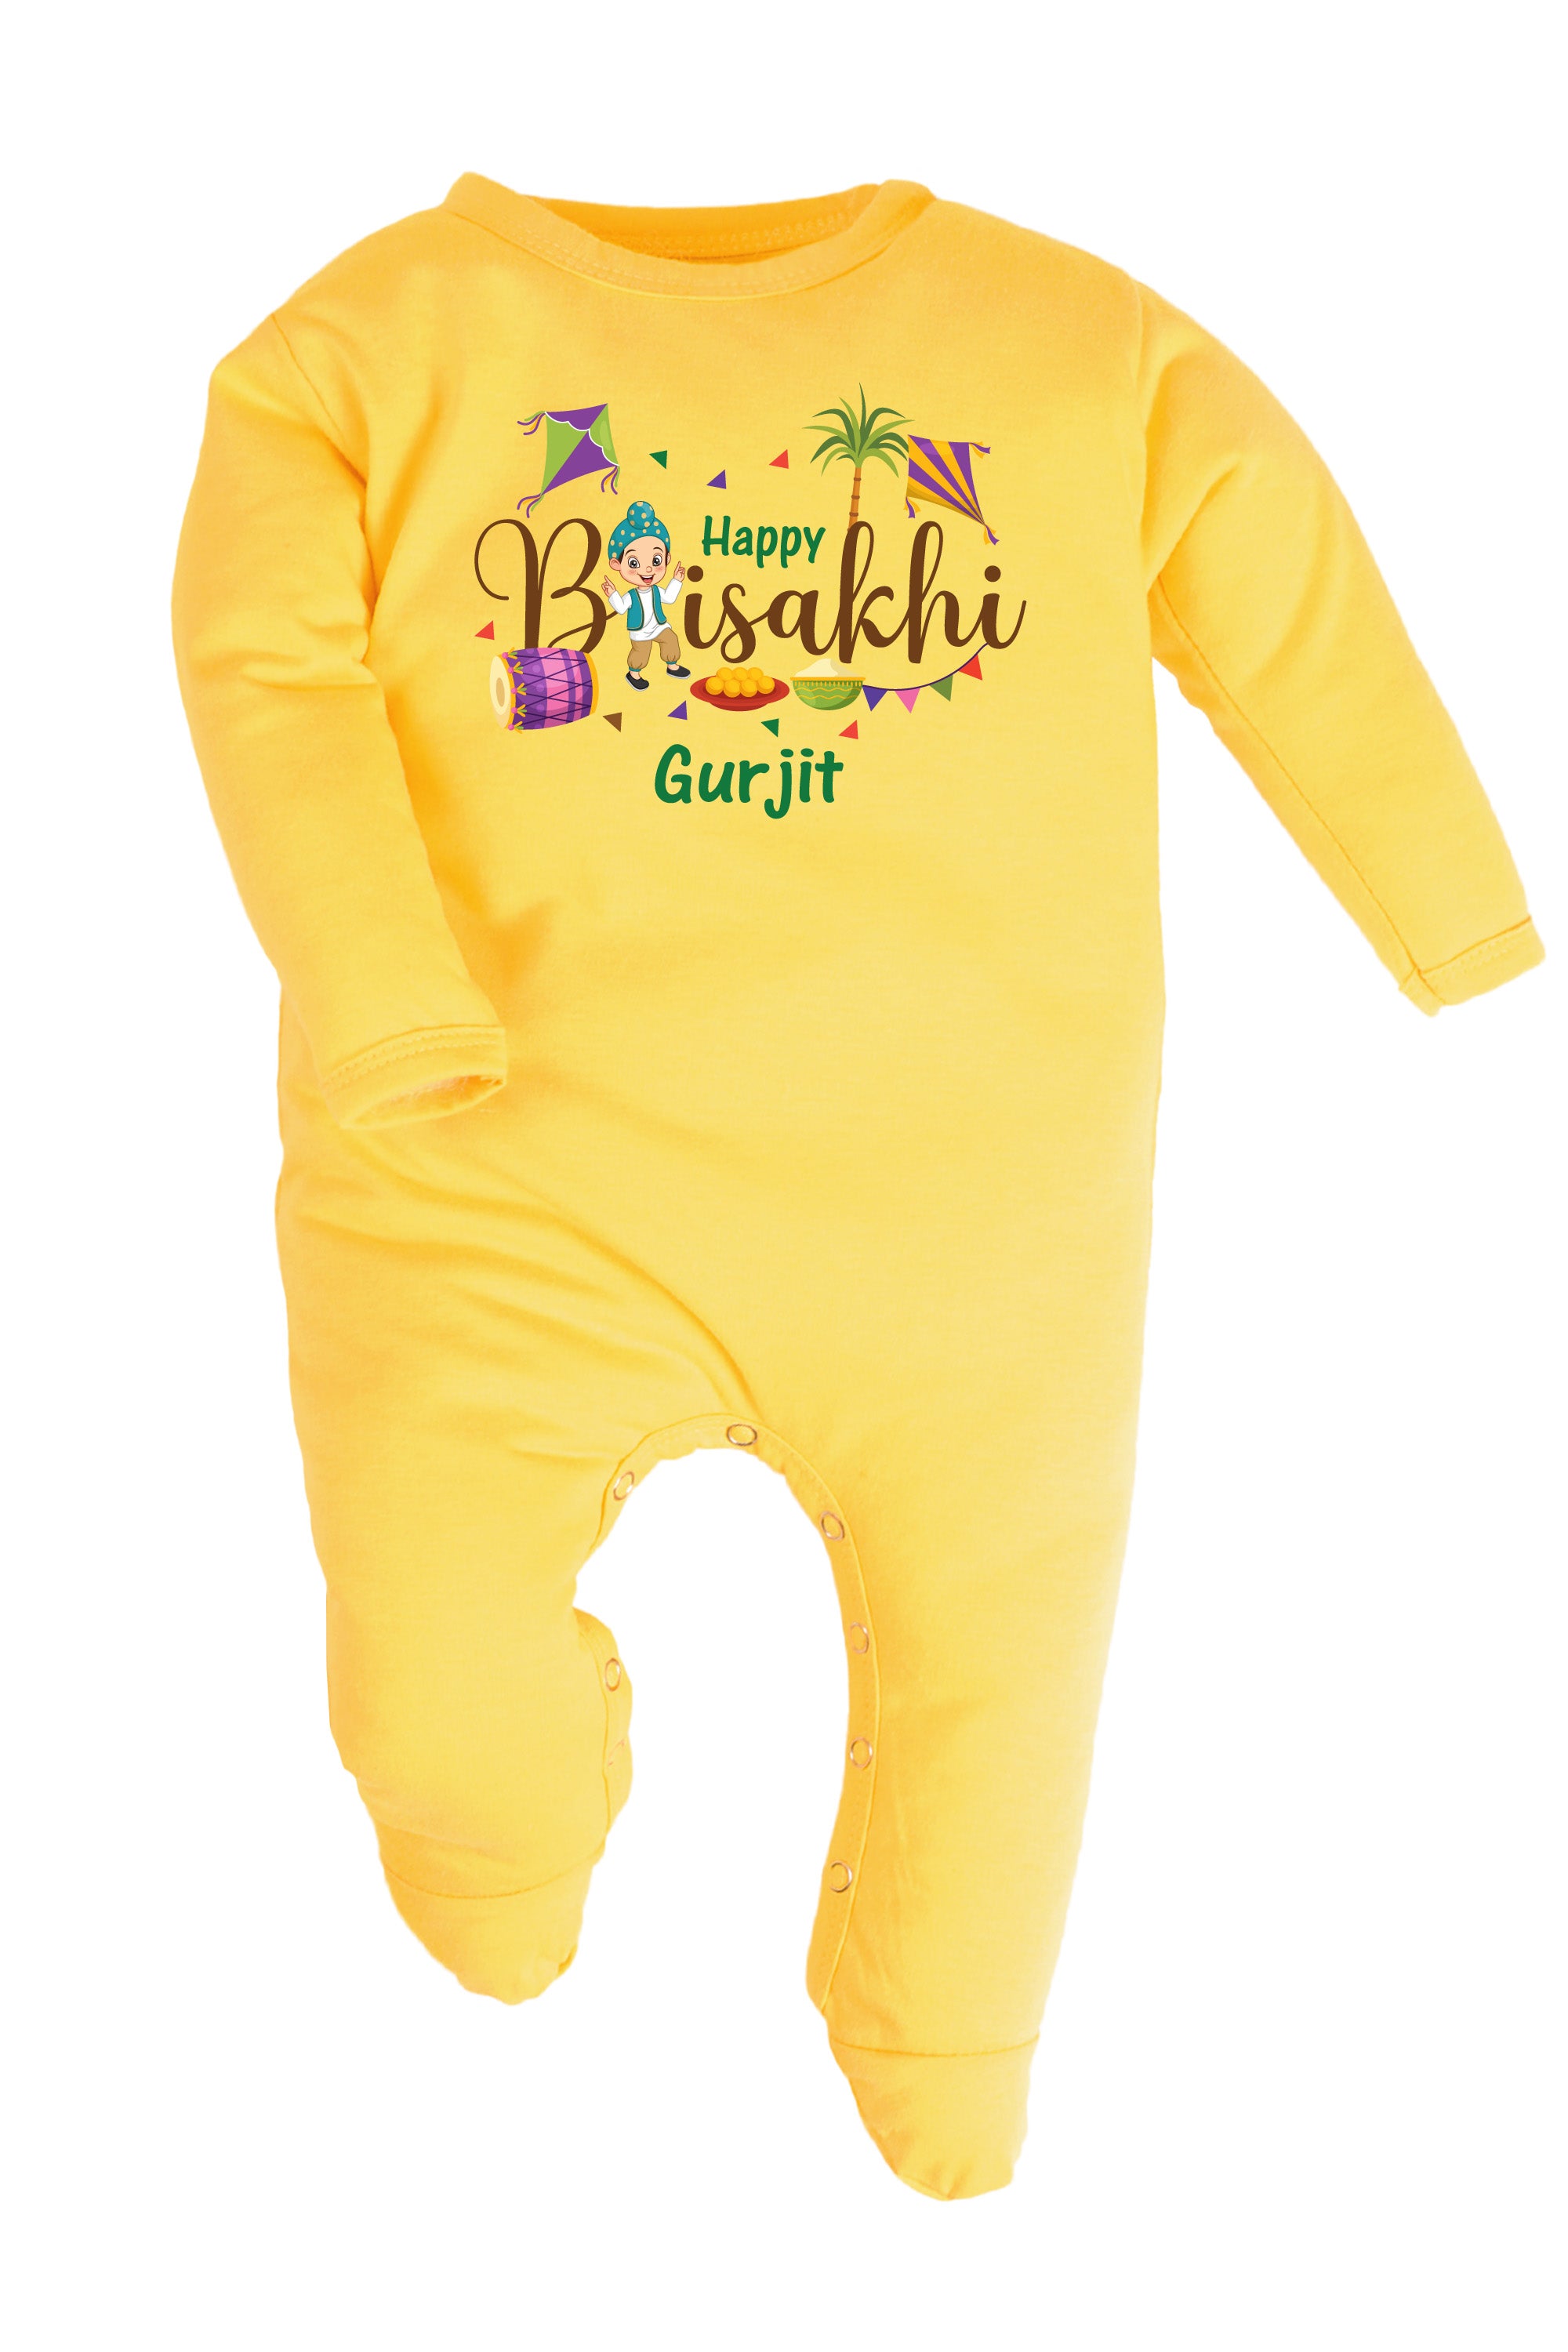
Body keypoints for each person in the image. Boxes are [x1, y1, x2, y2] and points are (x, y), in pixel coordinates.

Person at [601, 499, 691, 688]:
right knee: (641, 653)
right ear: (617, 564)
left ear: (666, 558)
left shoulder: (656, 590)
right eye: (634, 563)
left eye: (656, 560)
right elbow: (621, 608)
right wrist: (613, 593)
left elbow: (669, 598)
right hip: (640, 630)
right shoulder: (631, 595)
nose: (648, 569)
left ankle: (672, 666)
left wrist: (676, 580)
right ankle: (634, 674)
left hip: (658, 625)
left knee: (671, 639)